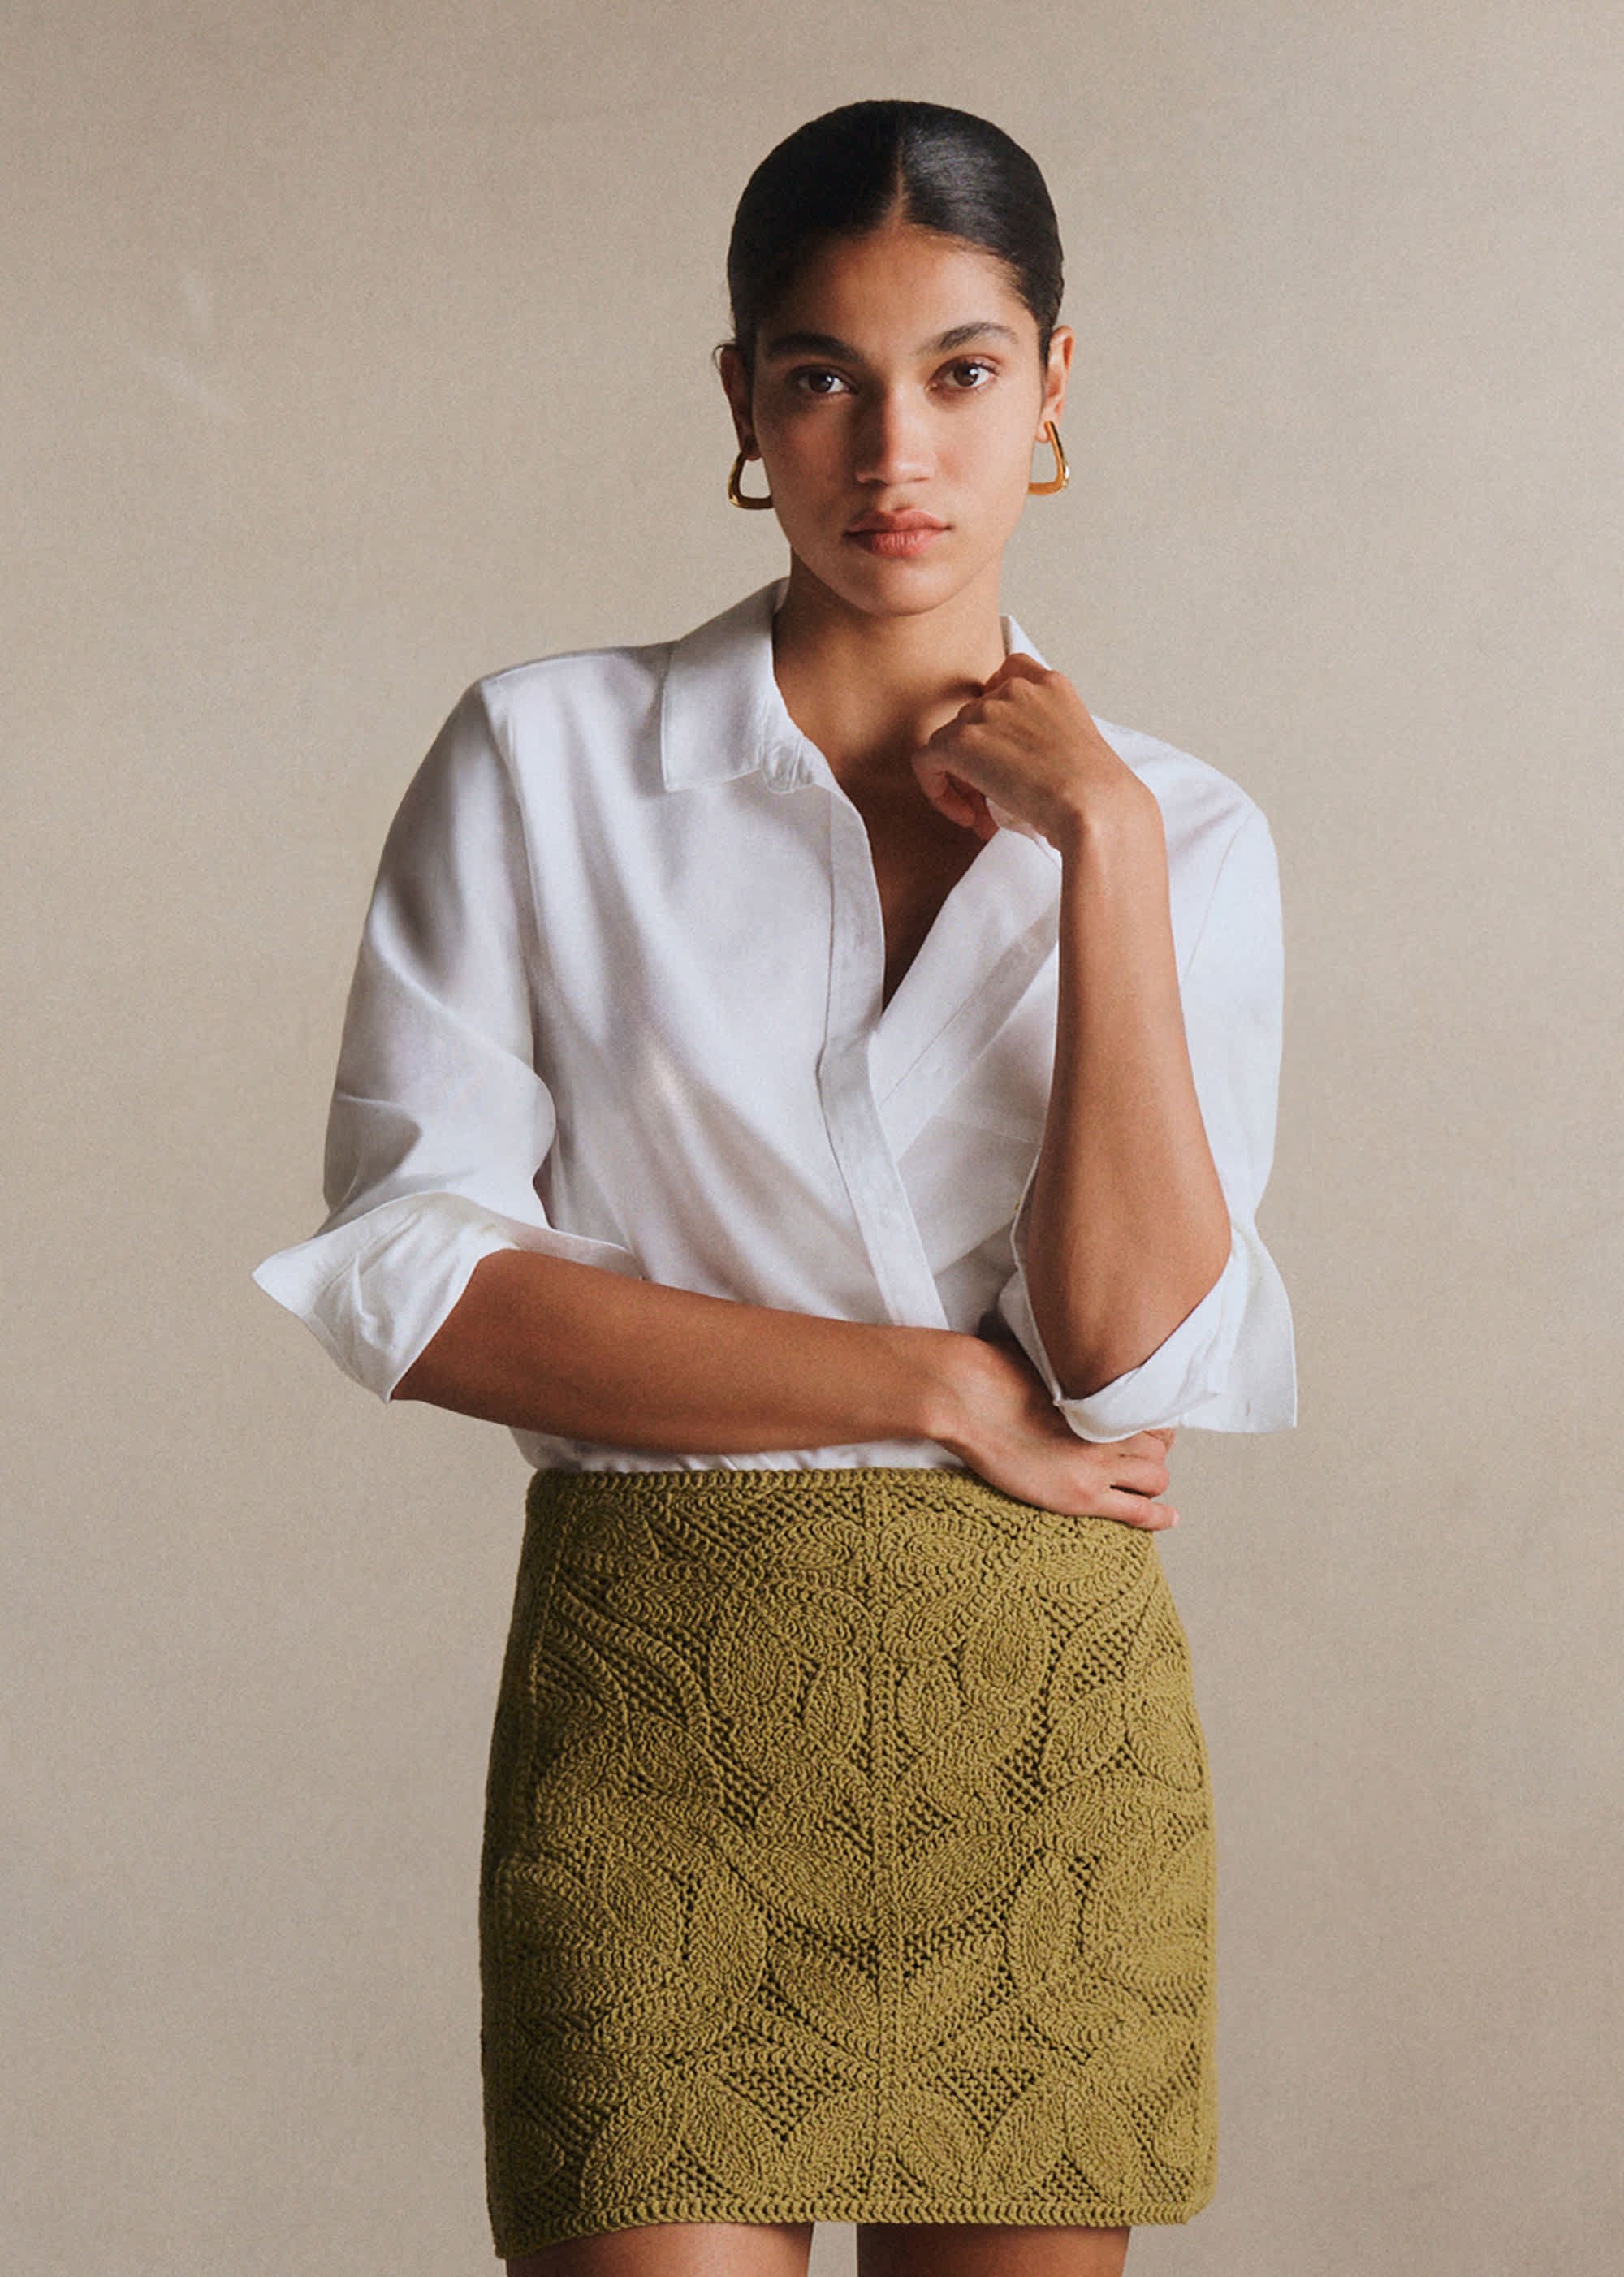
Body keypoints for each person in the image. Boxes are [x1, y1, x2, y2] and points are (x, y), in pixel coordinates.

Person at [254, 97, 1294, 2277]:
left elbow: (1129, 1360)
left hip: (1042, 1731)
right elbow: (420, 1283)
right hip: (662, 1713)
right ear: (742, 399)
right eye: (826, 376)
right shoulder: (546, 760)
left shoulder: (1184, 834)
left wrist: (1100, 849)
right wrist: (933, 1383)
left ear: (1055, 386)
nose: (895, 452)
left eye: (962, 371)